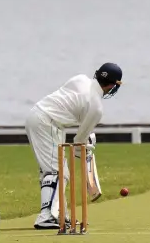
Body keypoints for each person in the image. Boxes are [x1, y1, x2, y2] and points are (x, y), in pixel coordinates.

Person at [25, 63, 123, 230]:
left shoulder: (80, 79)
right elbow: (78, 142)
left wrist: (85, 142)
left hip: (37, 115)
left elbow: (68, 105)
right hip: (48, 123)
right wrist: (87, 147)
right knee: (57, 171)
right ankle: (47, 216)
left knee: (52, 170)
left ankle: (58, 214)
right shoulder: (96, 108)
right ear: (113, 85)